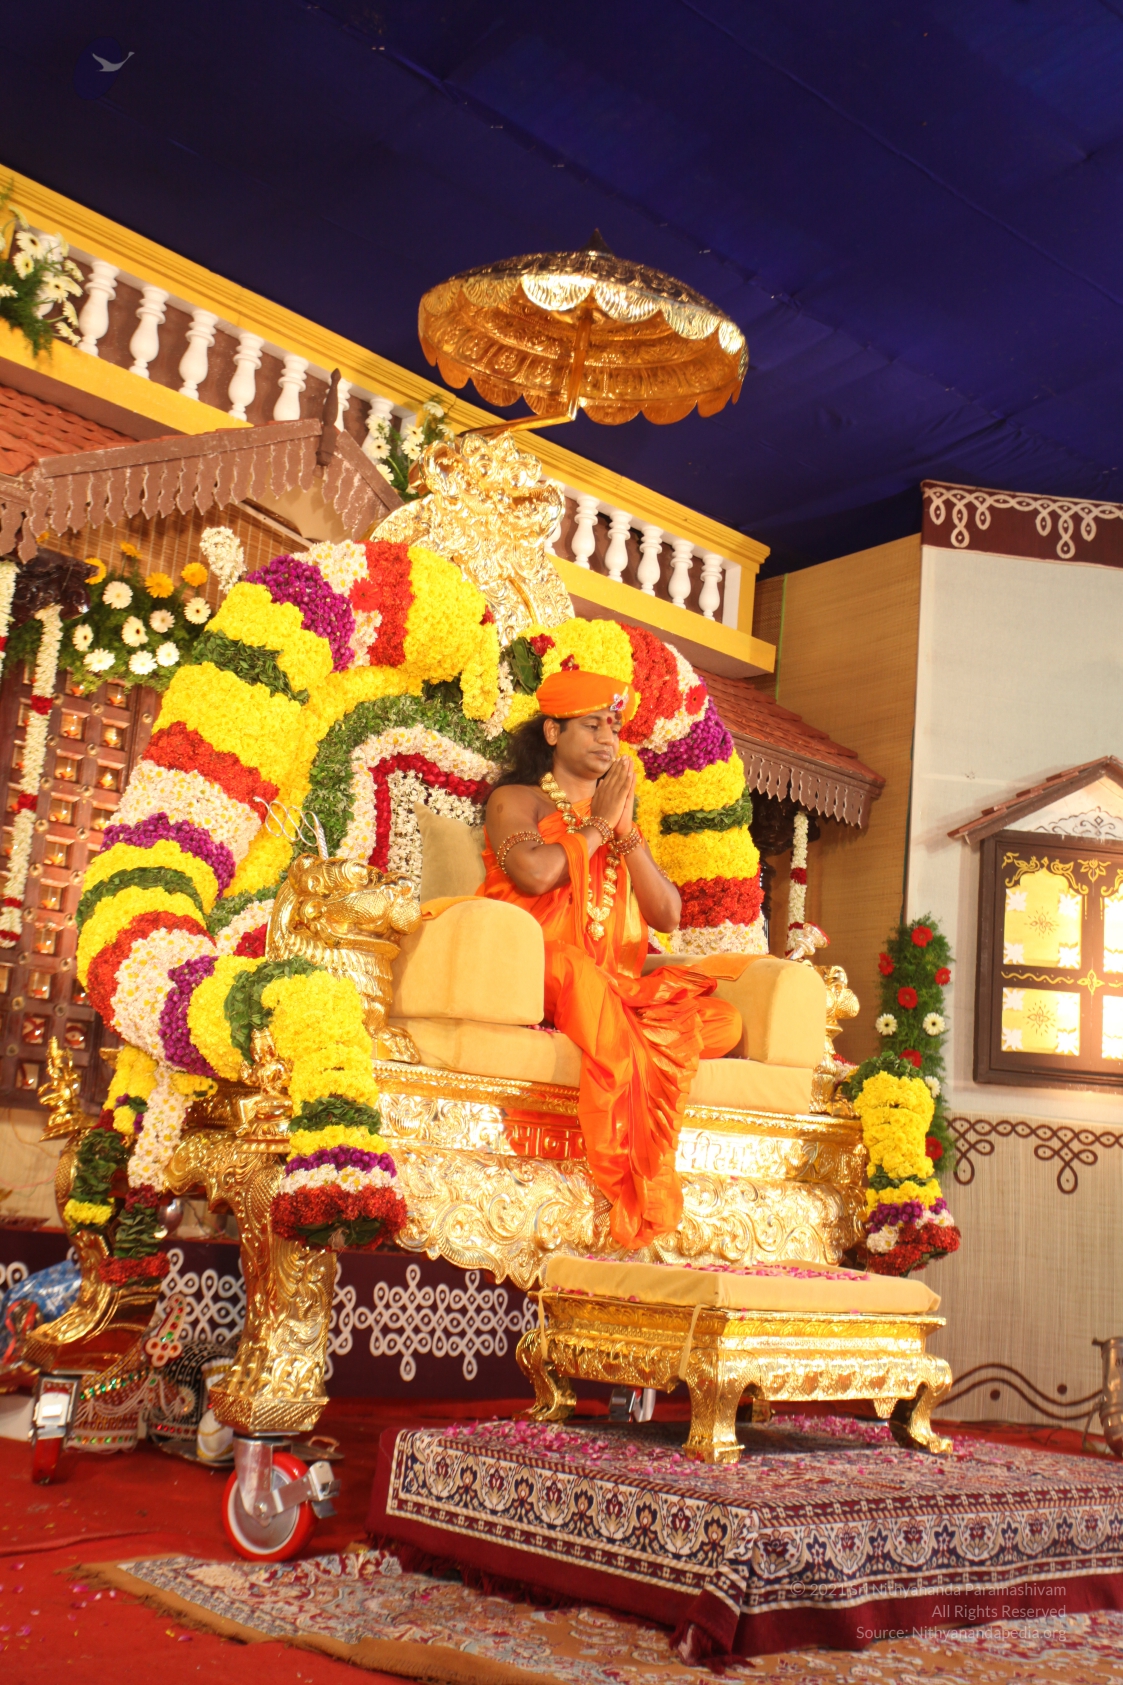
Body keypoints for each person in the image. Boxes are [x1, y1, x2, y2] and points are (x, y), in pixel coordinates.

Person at [479, 669, 742, 1249]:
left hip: (610, 986)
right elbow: (535, 874)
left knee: (722, 1020)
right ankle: (636, 1187)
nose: (607, 738)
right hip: (539, 970)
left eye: (614, 727)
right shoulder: (514, 800)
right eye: (592, 725)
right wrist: (597, 823)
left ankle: (617, 1031)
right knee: (583, 977)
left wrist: (626, 834)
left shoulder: (616, 822)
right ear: (553, 732)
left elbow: (668, 914)